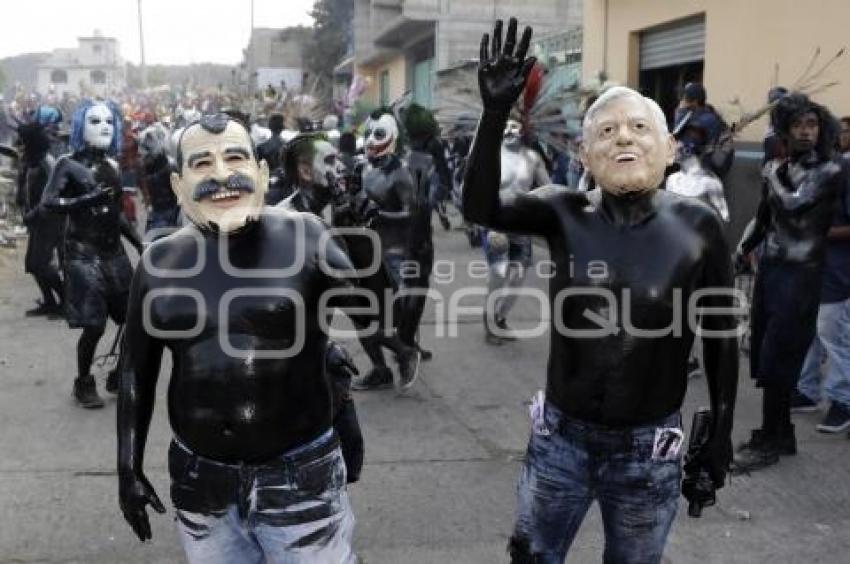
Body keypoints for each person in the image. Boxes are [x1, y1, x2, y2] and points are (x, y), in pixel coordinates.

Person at [464, 19, 738, 563]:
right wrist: (494, 112)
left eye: (639, 127)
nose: (624, 138)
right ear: (585, 156)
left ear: (667, 148)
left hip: (649, 449)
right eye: (606, 131)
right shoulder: (562, 211)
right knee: (533, 555)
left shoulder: (698, 225)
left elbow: (721, 334)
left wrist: (722, 432)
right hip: (559, 441)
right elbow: (480, 209)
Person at [117, 114, 356, 562]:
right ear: (178, 184)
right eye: (202, 163)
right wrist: (126, 467)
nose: (222, 175)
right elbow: (135, 372)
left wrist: (362, 255)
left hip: (300, 478)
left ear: (261, 172)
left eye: (234, 157)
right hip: (200, 484)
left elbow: (378, 312)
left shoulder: (305, 235)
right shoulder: (157, 263)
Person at [733, 93, 844, 471]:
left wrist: (773, 176)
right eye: (797, 125)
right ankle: (779, 433)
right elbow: (764, 217)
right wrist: (742, 248)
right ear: (784, 130)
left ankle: (772, 437)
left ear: (821, 128)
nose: (805, 132)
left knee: (781, 356)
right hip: (772, 271)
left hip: (802, 275)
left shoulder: (828, 171)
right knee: (766, 354)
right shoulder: (781, 169)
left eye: (812, 125)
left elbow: (794, 203)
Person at [40, 100, 142, 408]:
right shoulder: (66, 165)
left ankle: (118, 374)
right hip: (82, 256)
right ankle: (83, 382)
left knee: (134, 319)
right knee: (94, 325)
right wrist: (86, 199)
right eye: (96, 121)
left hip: (115, 254)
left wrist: (139, 243)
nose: (104, 127)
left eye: (109, 122)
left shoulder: (112, 166)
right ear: (81, 126)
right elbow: (48, 203)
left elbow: (116, 214)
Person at [791, 120, 850, 433]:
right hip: (809, 269)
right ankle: (807, 390)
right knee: (809, 332)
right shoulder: (814, 171)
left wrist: (820, 232)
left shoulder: (845, 172)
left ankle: (842, 401)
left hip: (836, 273)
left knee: (834, 336)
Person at [483, 118, 549, 345]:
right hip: (496, 225)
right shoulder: (490, 155)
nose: (510, 130)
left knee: (518, 277)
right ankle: (489, 322)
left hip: (522, 225)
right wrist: (484, 224)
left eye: (515, 126)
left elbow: (547, 188)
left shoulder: (532, 158)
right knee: (499, 274)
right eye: (506, 125)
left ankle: (500, 318)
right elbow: (473, 189)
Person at [15, 118, 65, 318]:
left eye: (24, 141)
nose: (21, 144)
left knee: (42, 264)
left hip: (50, 220)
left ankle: (66, 300)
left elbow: (53, 195)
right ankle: (50, 301)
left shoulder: (47, 163)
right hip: (36, 220)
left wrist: (33, 213)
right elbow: (24, 187)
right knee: (33, 264)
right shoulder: (32, 159)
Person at [137, 123, 181, 232]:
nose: (141, 152)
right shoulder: (149, 166)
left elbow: (179, 195)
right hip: (157, 212)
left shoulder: (169, 167)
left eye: (145, 148)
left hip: (169, 213)